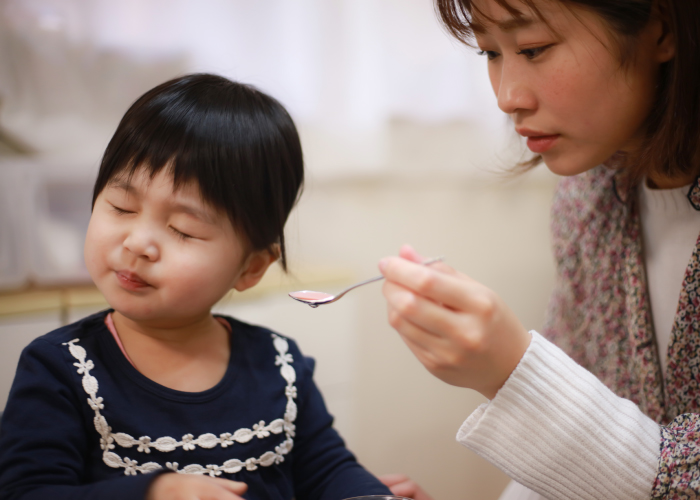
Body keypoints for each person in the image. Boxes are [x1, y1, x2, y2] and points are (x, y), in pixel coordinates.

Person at [0, 73, 392, 500]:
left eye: (183, 230)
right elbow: (26, 492)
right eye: (121, 206)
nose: (138, 243)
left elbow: (329, 470)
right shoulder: (59, 369)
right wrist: (154, 493)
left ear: (252, 267)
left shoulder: (280, 365)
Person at [379, 0, 700, 498]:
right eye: (489, 53)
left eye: (534, 48)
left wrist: (512, 371)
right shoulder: (586, 198)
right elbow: (576, 450)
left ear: (660, 30)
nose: (507, 98)